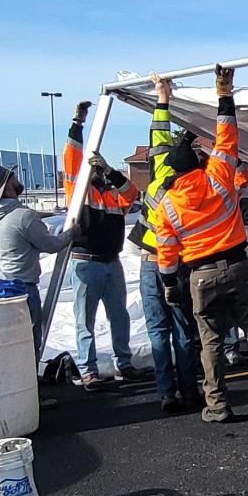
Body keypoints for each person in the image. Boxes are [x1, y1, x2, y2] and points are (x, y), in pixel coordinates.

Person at [152, 65, 248, 423]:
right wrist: (224, 93)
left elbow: (166, 250)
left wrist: (169, 285)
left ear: (174, 174)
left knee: (209, 341)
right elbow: (227, 138)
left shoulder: (168, 205)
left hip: (201, 275)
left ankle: (218, 404)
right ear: (197, 165)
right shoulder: (218, 177)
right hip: (238, 265)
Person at [125, 74, 203, 413]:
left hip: (148, 263)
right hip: (176, 266)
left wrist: (162, 98)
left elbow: (157, 137)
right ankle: (189, 391)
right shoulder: (192, 195)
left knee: (158, 331)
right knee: (184, 329)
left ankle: (165, 393)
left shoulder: (157, 180)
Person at [62, 100, 147, 391]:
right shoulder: (78, 192)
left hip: (111, 262)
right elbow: (71, 159)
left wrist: (110, 170)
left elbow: (132, 192)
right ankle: (89, 371)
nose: (95, 172)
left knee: (119, 316)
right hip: (85, 262)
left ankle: (124, 364)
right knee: (84, 321)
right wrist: (78, 123)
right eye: (94, 169)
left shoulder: (113, 197)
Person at [0, 163, 77, 355]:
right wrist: (72, 232)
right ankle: (28, 380)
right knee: (27, 342)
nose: (17, 179)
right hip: (20, 288)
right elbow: (51, 245)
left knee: (5, 343)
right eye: (12, 177)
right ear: (7, 186)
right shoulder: (24, 216)